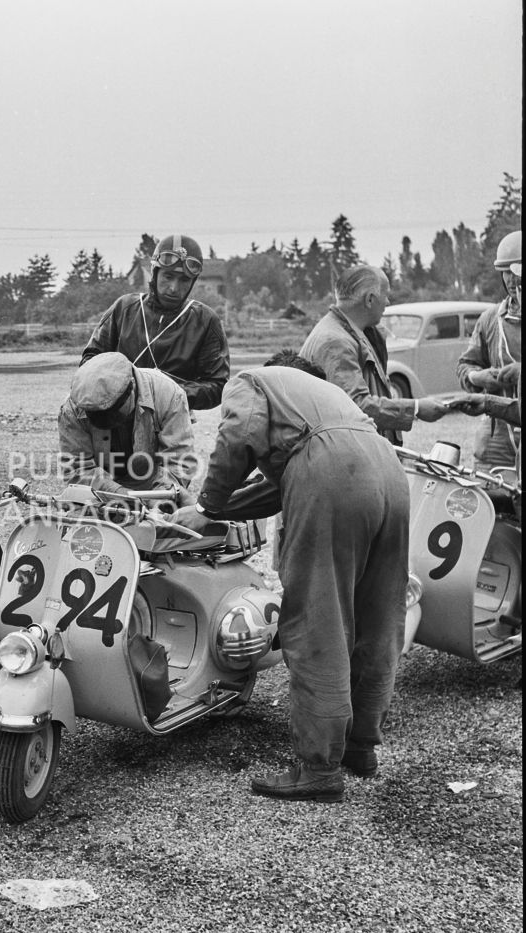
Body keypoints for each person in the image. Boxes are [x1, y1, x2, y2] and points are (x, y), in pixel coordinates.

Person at [171, 350, 410, 802]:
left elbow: (237, 435)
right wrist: (213, 512)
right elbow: (275, 488)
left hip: (335, 475)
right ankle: (359, 747)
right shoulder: (327, 401)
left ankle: (319, 767)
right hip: (389, 472)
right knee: (379, 615)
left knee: (317, 618)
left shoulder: (252, 380)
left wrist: (205, 505)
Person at [299, 264, 448, 444]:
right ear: (370, 299)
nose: (388, 302)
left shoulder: (354, 332)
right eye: (386, 295)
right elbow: (356, 406)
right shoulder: (336, 342)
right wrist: (416, 408)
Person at [80, 234, 230, 409]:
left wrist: (167, 393)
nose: (174, 288)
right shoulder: (124, 308)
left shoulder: (205, 320)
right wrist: (122, 387)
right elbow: (89, 362)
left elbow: (218, 385)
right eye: (168, 276)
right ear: (155, 273)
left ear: (193, 282)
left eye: (184, 280)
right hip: (116, 415)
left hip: (171, 421)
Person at [58, 351, 199, 506]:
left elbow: (179, 461)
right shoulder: (73, 408)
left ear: (131, 388)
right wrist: (121, 497)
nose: (106, 421)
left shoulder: (169, 394)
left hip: (155, 487)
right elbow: (78, 469)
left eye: (112, 412)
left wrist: (161, 497)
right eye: (95, 415)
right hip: (99, 493)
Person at [456, 230, 522, 469]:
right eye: (507, 273)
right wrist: (477, 376)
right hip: (498, 436)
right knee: (489, 496)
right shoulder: (490, 319)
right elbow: (464, 365)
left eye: (517, 271)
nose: (513, 280)